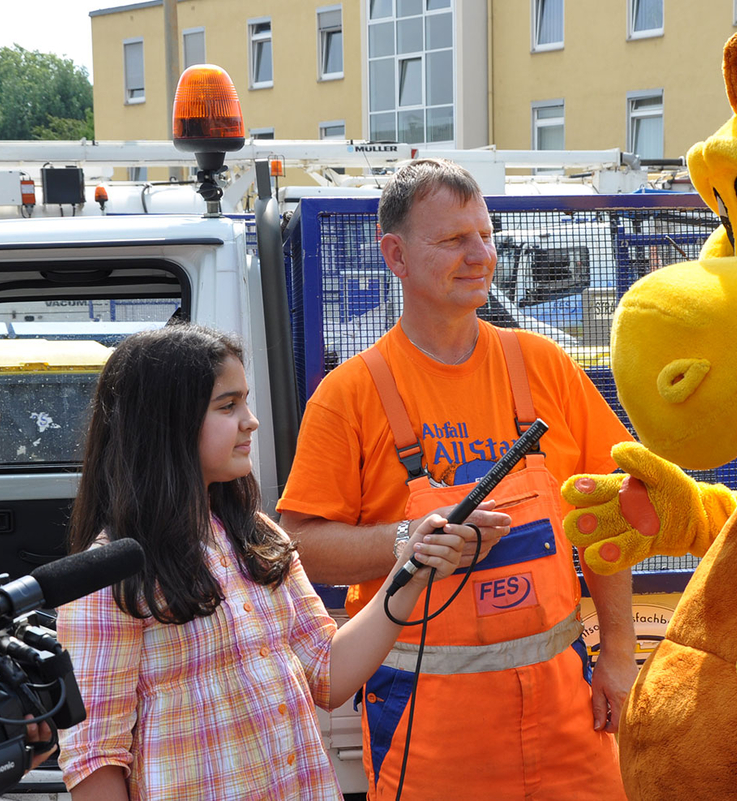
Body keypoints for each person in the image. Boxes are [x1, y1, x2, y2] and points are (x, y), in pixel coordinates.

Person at [278, 159, 637, 800]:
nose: (480, 256)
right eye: (452, 240)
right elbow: (300, 546)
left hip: (567, 719)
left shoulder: (543, 367)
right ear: (395, 255)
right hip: (427, 728)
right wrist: (406, 542)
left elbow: (606, 512)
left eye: (486, 235)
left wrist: (616, 650)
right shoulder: (350, 395)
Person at [55, 324, 470, 801]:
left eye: (245, 403)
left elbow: (328, 673)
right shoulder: (107, 575)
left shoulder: (256, 535)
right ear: (165, 422)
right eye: (227, 406)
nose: (250, 421)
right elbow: (93, 759)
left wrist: (411, 572)